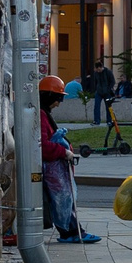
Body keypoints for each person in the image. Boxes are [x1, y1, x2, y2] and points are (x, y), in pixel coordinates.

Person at [36, 75, 96, 245]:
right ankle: (72, 232)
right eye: (58, 99)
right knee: (62, 199)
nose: (59, 103)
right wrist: (63, 151)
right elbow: (43, 146)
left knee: (63, 200)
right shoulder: (41, 115)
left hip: (54, 168)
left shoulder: (43, 114)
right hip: (53, 169)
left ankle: (72, 231)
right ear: (49, 97)